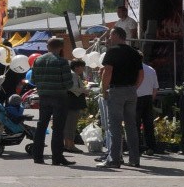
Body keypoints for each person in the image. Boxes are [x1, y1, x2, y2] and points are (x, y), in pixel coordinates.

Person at [29, 36, 84, 166]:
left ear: (48, 47)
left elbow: (33, 80)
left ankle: (37, 156)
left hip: (44, 97)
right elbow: (68, 83)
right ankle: (57, 157)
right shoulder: (62, 62)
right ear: (60, 48)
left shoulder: (38, 60)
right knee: (58, 128)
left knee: (41, 126)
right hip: (59, 97)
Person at [96, 29, 145, 169]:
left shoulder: (112, 51)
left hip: (116, 90)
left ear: (116, 35)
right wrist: (134, 88)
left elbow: (108, 71)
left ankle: (114, 159)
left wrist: (104, 89)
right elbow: (141, 74)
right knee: (131, 126)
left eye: (111, 35)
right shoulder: (134, 52)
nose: (109, 37)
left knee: (114, 126)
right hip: (131, 91)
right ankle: (134, 159)